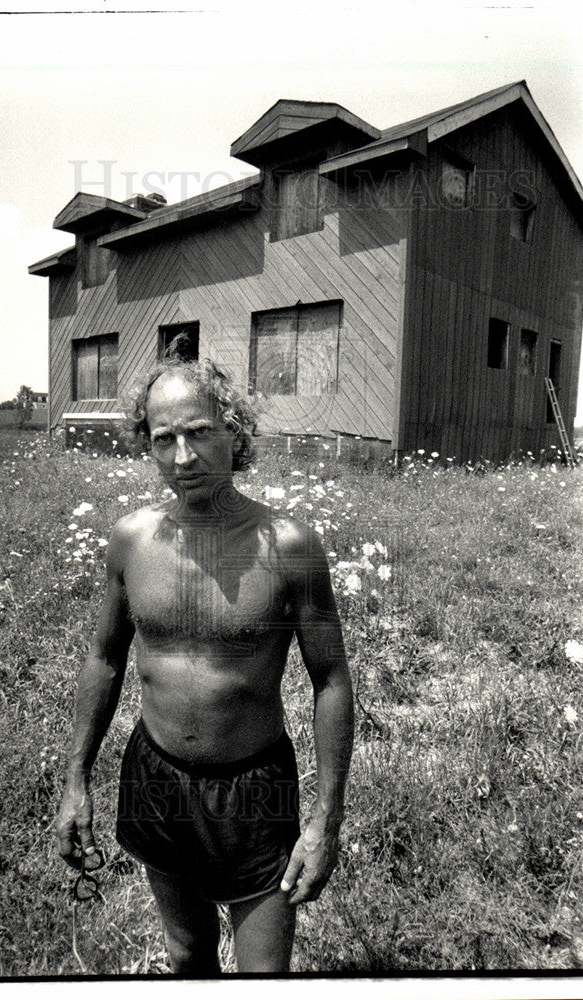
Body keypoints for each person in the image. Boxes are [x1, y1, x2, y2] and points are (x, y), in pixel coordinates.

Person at [56, 354, 354, 975]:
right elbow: (104, 659)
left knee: (263, 975)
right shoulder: (131, 539)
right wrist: (76, 780)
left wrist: (325, 821)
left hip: (254, 787)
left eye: (199, 432)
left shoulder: (290, 546)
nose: (183, 456)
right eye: (164, 439)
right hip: (155, 775)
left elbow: (330, 680)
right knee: (187, 953)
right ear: (147, 445)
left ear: (234, 432)